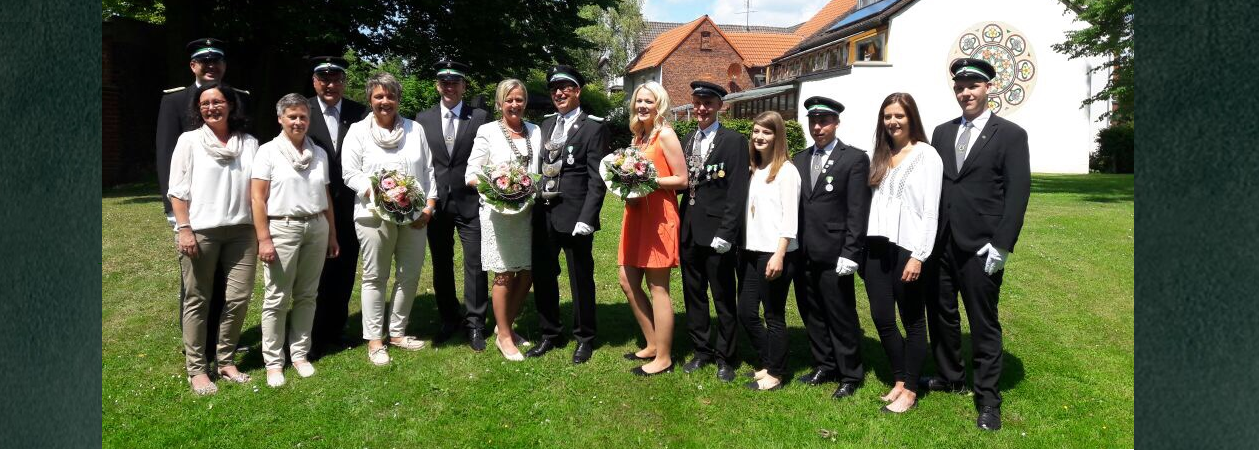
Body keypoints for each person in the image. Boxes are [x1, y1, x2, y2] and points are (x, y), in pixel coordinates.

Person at [921, 58, 1030, 431]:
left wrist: (1003, 245)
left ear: (988, 88)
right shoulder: (942, 132)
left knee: (983, 323)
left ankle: (988, 399)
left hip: (982, 246)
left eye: (973, 86)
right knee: (941, 314)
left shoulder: (1010, 135)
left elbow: (1017, 193)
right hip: (941, 243)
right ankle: (950, 376)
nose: (965, 93)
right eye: (960, 87)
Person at [156, 38, 250, 360]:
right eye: (204, 62)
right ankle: (196, 346)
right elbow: (166, 156)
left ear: (224, 65)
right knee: (195, 286)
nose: (211, 66)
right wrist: (175, 216)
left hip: (233, 214)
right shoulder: (174, 101)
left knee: (228, 282)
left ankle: (221, 342)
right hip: (196, 212)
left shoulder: (238, 97)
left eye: (216, 61)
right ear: (193, 66)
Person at [167, 82, 259, 395]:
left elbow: (259, 189)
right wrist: (184, 229)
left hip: (242, 233)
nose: (211, 108)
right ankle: (196, 369)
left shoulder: (249, 143)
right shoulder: (189, 141)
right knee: (197, 299)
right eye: (204, 103)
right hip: (200, 231)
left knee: (238, 298)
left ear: (230, 105)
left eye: (217, 101)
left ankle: (226, 361)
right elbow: (177, 190)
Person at [341, 72, 439, 366]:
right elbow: (350, 173)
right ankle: (374, 340)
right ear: (370, 99)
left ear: (398, 99)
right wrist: (381, 194)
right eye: (379, 96)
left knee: (409, 275)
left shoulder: (414, 129)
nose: (385, 101)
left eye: (390, 96)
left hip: (414, 216)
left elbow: (428, 171)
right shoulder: (358, 131)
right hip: (373, 216)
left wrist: (429, 207)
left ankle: (397, 332)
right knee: (375, 277)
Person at [251, 94, 341, 388]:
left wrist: (331, 233)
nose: (298, 122)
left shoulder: (318, 153)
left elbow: (325, 195)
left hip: (316, 226)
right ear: (280, 119)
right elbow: (257, 198)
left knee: (307, 295)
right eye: (292, 116)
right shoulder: (267, 152)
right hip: (283, 228)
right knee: (277, 297)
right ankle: (273, 361)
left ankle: (300, 354)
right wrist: (264, 239)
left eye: (303, 116)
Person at [863, 92, 942, 413]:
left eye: (899, 115)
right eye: (887, 116)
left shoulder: (927, 155)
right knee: (882, 316)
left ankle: (910, 389)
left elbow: (931, 211)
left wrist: (919, 255)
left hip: (908, 247)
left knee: (912, 320)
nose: (892, 122)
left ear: (911, 118)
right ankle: (898, 378)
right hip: (877, 246)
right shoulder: (881, 154)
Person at [526, 65, 610, 364]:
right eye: (554, 89)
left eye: (565, 88)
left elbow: (597, 178)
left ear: (578, 91)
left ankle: (584, 337)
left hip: (575, 216)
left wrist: (588, 218)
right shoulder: (546, 124)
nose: (559, 93)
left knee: (580, 278)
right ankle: (550, 333)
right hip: (544, 214)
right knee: (543, 276)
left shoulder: (594, 127)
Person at [791, 96, 872, 399]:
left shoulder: (853, 159)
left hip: (835, 252)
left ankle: (850, 373)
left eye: (824, 121)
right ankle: (824, 364)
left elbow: (857, 210)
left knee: (840, 314)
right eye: (813, 121)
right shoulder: (799, 159)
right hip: (803, 251)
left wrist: (851, 252)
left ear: (836, 123)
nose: (817, 127)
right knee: (811, 311)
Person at [416, 60, 492, 350]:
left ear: (463, 86)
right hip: (437, 204)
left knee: (476, 264)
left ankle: (475, 324)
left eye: (455, 82)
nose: (450, 87)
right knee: (441, 263)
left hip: (470, 202)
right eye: (444, 83)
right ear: (438, 86)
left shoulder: (480, 117)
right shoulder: (423, 119)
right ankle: (449, 318)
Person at [677, 81, 750, 382]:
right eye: (697, 103)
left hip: (717, 233)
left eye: (708, 104)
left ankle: (726, 357)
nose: (701, 109)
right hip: (688, 229)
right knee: (694, 294)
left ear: (720, 106)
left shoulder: (733, 141)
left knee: (723, 297)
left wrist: (727, 232)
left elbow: (737, 190)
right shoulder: (686, 139)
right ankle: (701, 350)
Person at [465, 79, 541, 362]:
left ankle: (503, 325)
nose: (514, 105)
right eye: (509, 100)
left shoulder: (535, 131)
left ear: (525, 103)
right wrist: (500, 185)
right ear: (499, 103)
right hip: (498, 214)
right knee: (504, 274)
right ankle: (505, 337)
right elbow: (471, 174)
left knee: (528, 271)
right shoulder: (487, 131)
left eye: (519, 99)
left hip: (528, 213)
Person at [617, 81, 689, 376]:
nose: (643, 106)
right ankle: (651, 343)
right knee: (627, 279)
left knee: (658, 287)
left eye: (649, 101)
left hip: (658, 218)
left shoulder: (665, 134)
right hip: (635, 214)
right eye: (639, 101)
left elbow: (682, 179)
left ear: (659, 105)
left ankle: (664, 357)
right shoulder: (638, 137)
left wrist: (648, 181)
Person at [304, 56, 370, 357]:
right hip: (313, 204)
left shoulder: (360, 113)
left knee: (345, 269)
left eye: (335, 79)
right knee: (315, 272)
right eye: (323, 79)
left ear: (344, 81)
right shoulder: (302, 110)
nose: (329, 85)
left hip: (349, 205)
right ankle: (312, 333)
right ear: (314, 81)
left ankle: (336, 329)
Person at [736, 111, 800, 391]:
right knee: (746, 312)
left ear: (778, 136)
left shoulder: (786, 171)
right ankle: (769, 359)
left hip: (774, 253)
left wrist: (779, 254)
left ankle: (776, 373)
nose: (759, 137)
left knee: (773, 315)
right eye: (756, 131)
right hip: (750, 250)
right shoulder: (754, 168)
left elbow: (790, 219)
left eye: (767, 132)